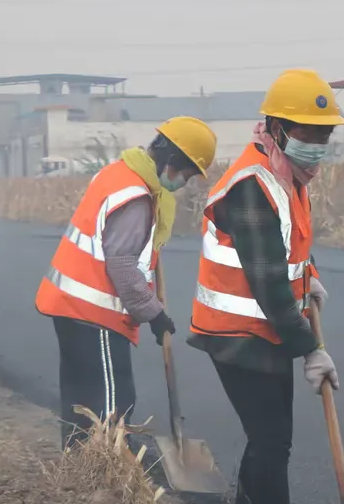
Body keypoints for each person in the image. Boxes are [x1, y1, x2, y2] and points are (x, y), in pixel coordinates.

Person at [186, 70, 341, 504]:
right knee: (271, 440)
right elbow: (268, 282)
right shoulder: (250, 186)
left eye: (324, 134)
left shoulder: (285, 175)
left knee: (272, 440)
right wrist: (311, 350)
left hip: (263, 330)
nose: (316, 143)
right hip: (236, 331)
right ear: (275, 128)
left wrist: (308, 273)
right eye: (305, 132)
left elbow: (289, 245)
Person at [33, 117, 216, 449]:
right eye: (188, 176)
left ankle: (77, 474)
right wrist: (154, 314)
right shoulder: (136, 197)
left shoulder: (118, 173)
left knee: (80, 399)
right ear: (173, 164)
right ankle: (105, 477)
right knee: (112, 400)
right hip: (93, 314)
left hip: (68, 305)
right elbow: (121, 264)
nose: (185, 184)